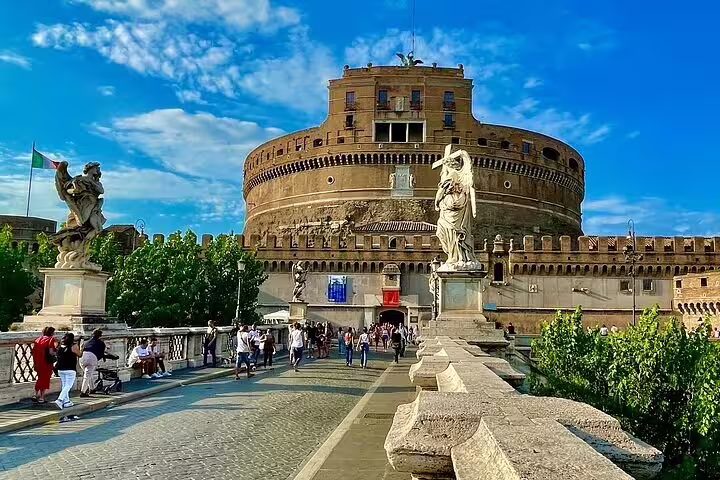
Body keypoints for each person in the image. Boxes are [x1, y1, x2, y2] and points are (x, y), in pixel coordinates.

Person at [80, 329, 118, 397]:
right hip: (91, 358)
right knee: (87, 376)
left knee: (88, 374)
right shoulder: (101, 343)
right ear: (100, 336)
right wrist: (112, 356)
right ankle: (83, 391)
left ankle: (92, 388)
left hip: (82, 357)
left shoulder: (87, 342)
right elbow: (103, 353)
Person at [54, 332, 80, 410]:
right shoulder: (73, 346)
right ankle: (59, 400)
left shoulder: (59, 346)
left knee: (64, 385)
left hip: (60, 369)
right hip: (70, 369)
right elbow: (80, 355)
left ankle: (67, 401)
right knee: (68, 386)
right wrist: (81, 348)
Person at [32, 326, 58, 403]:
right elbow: (51, 352)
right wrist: (57, 352)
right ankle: (42, 397)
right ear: (52, 333)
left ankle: (35, 394)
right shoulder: (51, 339)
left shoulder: (38, 339)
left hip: (38, 362)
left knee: (40, 378)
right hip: (46, 362)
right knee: (45, 379)